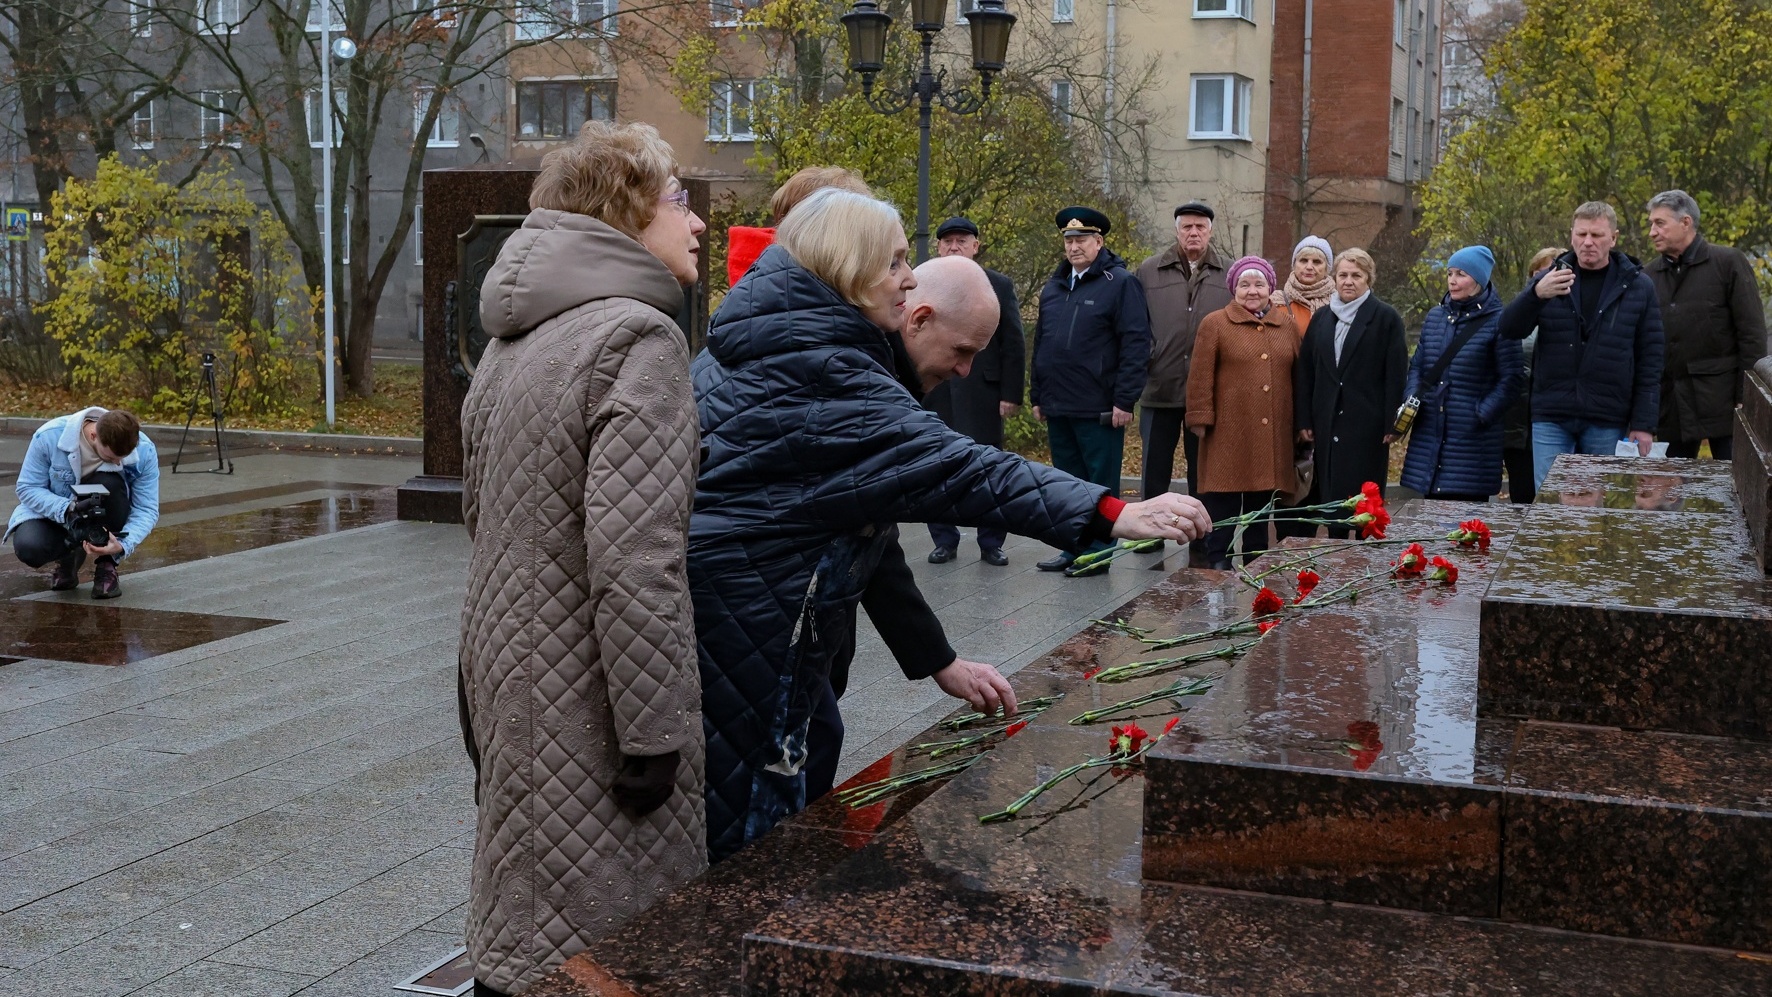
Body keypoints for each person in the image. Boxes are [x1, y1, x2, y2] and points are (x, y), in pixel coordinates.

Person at [690, 189, 1210, 861]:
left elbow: (861, 530)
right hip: (755, 647)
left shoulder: (792, 336)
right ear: (850, 268)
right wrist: (1112, 510)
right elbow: (962, 469)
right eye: (896, 262)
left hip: (768, 638)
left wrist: (938, 662)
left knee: (798, 789)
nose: (908, 279)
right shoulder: (820, 367)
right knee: (753, 847)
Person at [457, 122, 708, 997]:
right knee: (601, 948)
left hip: (515, 680)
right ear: (628, 211)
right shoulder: (636, 341)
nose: (697, 222)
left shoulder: (510, 342)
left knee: (521, 929)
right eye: (679, 199)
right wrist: (656, 733)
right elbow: (638, 559)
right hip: (596, 704)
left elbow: (482, 525)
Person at [1498, 201, 1665, 490]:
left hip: (1607, 414)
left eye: (1597, 236)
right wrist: (1536, 295)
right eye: (1581, 234)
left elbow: (1651, 358)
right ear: (1572, 235)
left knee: (1597, 507)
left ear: (1613, 238)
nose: (1588, 242)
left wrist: (1643, 423)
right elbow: (1508, 328)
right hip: (1552, 412)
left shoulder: (1638, 286)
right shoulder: (1549, 279)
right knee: (1549, 500)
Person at [1028, 205, 1153, 576]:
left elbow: (1136, 343)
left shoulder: (1120, 283)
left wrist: (1124, 399)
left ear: (1099, 242)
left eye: (1082, 239)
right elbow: (1043, 344)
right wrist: (1038, 395)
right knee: (1066, 484)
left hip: (1099, 405)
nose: (1074, 246)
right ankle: (1072, 547)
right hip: (1059, 403)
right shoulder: (1053, 287)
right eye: (1068, 240)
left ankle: (1098, 552)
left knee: (1099, 485)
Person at [925, 216, 1026, 566]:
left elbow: (1013, 342)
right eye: (948, 241)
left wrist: (1011, 394)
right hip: (934, 394)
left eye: (962, 241)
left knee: (988, 469)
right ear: (938, 247)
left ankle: (991, 542)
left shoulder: (998, 285)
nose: (954, 247)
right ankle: (943, 540)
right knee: (933, 467)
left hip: (983, 394)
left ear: (976, 246)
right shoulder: (923, 281)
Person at [1187, 256, 1300, 568]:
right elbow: (1199, 376)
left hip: (1271, 434)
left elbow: (1299, 377)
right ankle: (1217, 563)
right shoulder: (1215, 324)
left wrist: (1302, 423)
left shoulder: (1286, 325)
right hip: (1227, 431)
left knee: (1260, 509)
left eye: (1259, 284)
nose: (1252, 291)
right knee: (1222, 503)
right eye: (1244, 284)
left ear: (1270, 288)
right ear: (1233, 289)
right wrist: (1199, 417)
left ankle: (1255, 563)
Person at [1136, 201, 1230, 563]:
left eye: (1200, 227)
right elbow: (1136, 324)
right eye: (1187, 227)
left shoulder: (1228, 273)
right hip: (1159, 385)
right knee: (1153, 469)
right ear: (1177, 230)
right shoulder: (1148, 271)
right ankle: (1148, 533)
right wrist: (1150, 354)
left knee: (1201, 471)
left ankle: (1201, 536)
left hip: (1205, 393)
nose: (1194, 233)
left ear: (1210, 231)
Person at [1645, 189, 1768, 460]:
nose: (1652, 232)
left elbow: (1752, 335)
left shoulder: (1728, 263)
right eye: (1651, 224)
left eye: (1660, 223)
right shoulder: (1649, 275)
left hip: (1724, 405)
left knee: (1736, 487)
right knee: (1672, 497)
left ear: (1685, 222)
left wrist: (1747, 397)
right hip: (1671, 407)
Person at [1400, 246, 1524, 503]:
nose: (1452, 281)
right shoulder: (1435, 317)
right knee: (1431, 526)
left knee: (1464, 527)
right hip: (1429, 431)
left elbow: (1511, 379)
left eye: (1461, 274)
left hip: (1472, 441)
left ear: (1478, 280)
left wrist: (1481, 413)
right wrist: (1413, 398)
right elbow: (1418, 366)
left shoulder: (1501, 322)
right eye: (1449, 273)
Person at [1294, 248, 1408, 526]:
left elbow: (1396, 373)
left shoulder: (1385, 318)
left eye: (1356, 275)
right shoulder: (1321, 318)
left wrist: (1391, 423)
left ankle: (1364, 552)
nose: (1348, 281)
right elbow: (1306, 372)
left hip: (1367, 424)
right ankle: (1336, 552)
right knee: (1332, 501)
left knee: (1364, 501)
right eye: (1343, 275)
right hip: (1326, 421)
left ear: (1369, 279)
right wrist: (1305, 419)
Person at [5, 406, 157, 599]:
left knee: (109, 481)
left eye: (123, 459)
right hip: (57, 516)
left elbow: (146, 508)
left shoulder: (144, 449)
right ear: (94, 435)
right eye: (111, 457)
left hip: (110, 512)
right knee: (30, 547)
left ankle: (107, 564)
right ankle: (68, 556)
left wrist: (123, 545)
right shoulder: (49, 436)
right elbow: (27, 488)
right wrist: (68, 508)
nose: (118, 463)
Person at [1501, 247, 1562, 502]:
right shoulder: (1519, 312)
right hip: (1517, 424)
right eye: (1537, 273)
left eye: (1549, 271)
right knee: (1522, 495)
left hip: (1553, 416)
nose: (1542, 278)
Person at [1276, 235, 1335, 334]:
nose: (1309, 267)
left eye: (1316, 262)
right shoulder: (1277, 301)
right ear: (1294, 265)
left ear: (1327, 269)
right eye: (1303, 260)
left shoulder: (1339, 303)